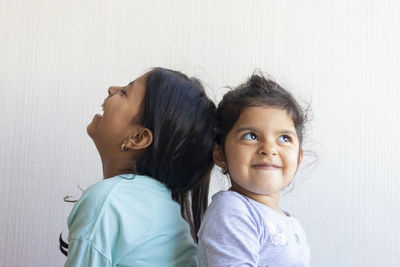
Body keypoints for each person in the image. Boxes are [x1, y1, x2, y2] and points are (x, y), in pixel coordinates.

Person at [60, 68, 216, 267]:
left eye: (124, 92)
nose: (111, 89)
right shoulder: (166, 210)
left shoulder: (108, 202)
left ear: (137, 138)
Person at [198, 72, 311, 266]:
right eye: (251, 136)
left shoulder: (291, 223)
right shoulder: (232, 211)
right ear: (220, 154)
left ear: (299, 158)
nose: (269, 149)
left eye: (284, 138)